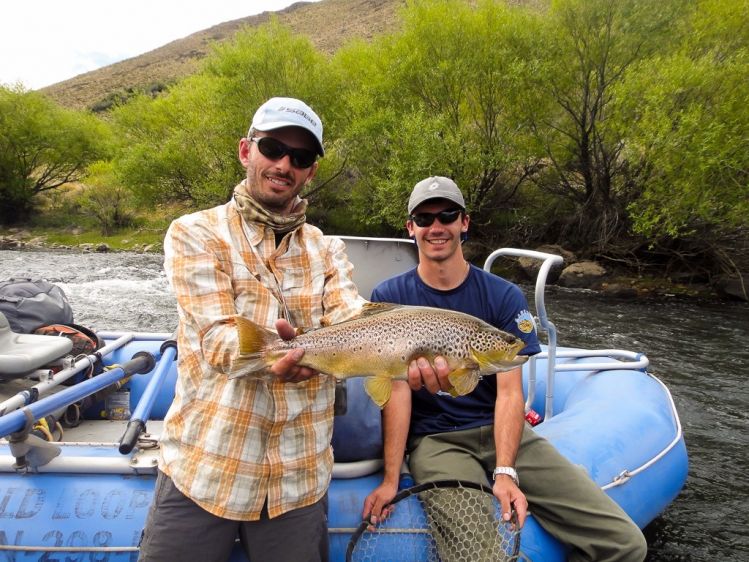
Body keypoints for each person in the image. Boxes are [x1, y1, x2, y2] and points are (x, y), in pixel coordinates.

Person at [362, 176, 647, 561]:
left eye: (447, 214)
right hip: (437, 441)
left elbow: (510, 392)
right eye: (425, 218)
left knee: (626, 544)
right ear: (411, 227)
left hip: (507, 435)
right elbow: (396, 394)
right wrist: (391, 479)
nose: (436, 226)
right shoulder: (390, 297)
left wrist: (505, 471)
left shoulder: (503, 295)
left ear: (465, 222)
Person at [138, 97, 366, 562]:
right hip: (205, 470)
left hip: (297, 482)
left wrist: (410, 353)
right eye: (273, 148)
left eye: (300, 157)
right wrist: (278, 356)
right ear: (247, 151)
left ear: (310, 173)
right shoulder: (194, 233)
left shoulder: (328, 249)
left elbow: (352, 318)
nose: (284, 164)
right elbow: (218, 339)